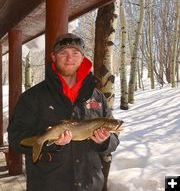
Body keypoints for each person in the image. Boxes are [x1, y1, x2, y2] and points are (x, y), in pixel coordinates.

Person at [7, 33, 120, 191]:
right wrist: (49, 141)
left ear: (82, 58)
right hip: (48, 185)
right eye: (63, 53)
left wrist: (104, 141)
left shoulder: (97, 97)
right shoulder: (32, 97)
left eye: (75, 53)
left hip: (90, 185)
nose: (69, 58)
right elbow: (15, 137)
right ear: (53, 57)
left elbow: (114, 140)